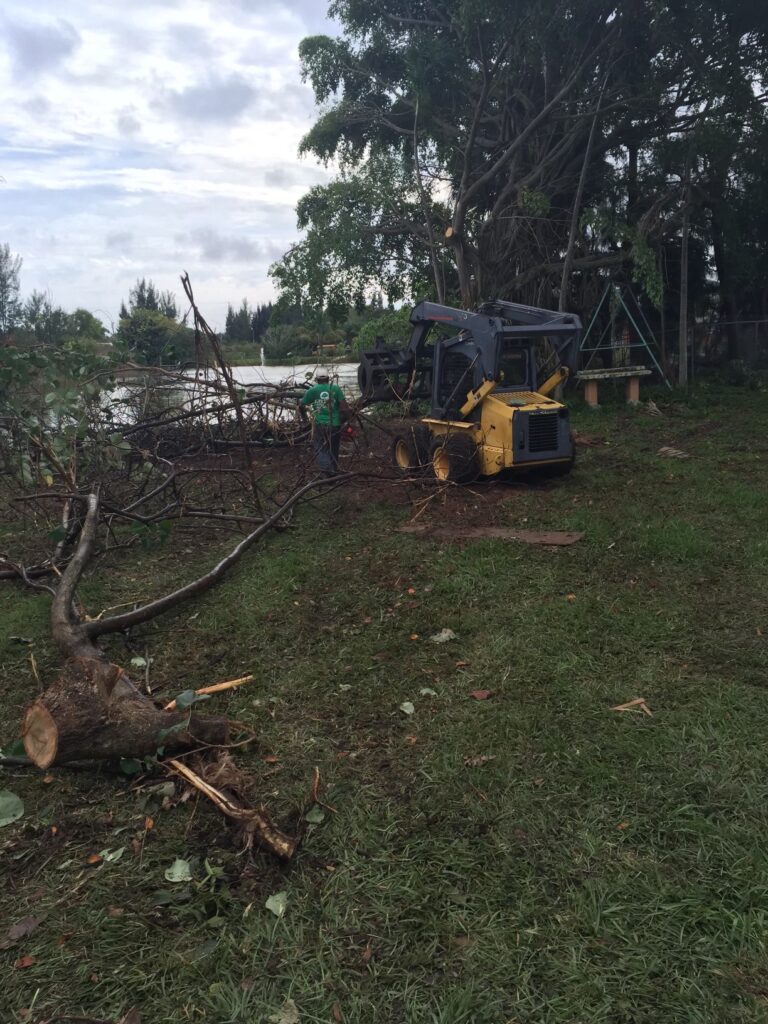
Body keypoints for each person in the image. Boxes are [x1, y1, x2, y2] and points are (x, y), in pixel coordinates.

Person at [300, 371, 351, 474]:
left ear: (317, 380)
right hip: (335, 424)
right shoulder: (335, 389)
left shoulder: (312, 390)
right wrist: (349, 421)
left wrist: (304, 419)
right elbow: (344, 408)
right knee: (334, 448)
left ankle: (328, 471)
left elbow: (301, 405)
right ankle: (333, 470)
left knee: (321, 448)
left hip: (320, 424)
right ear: (328, 379)